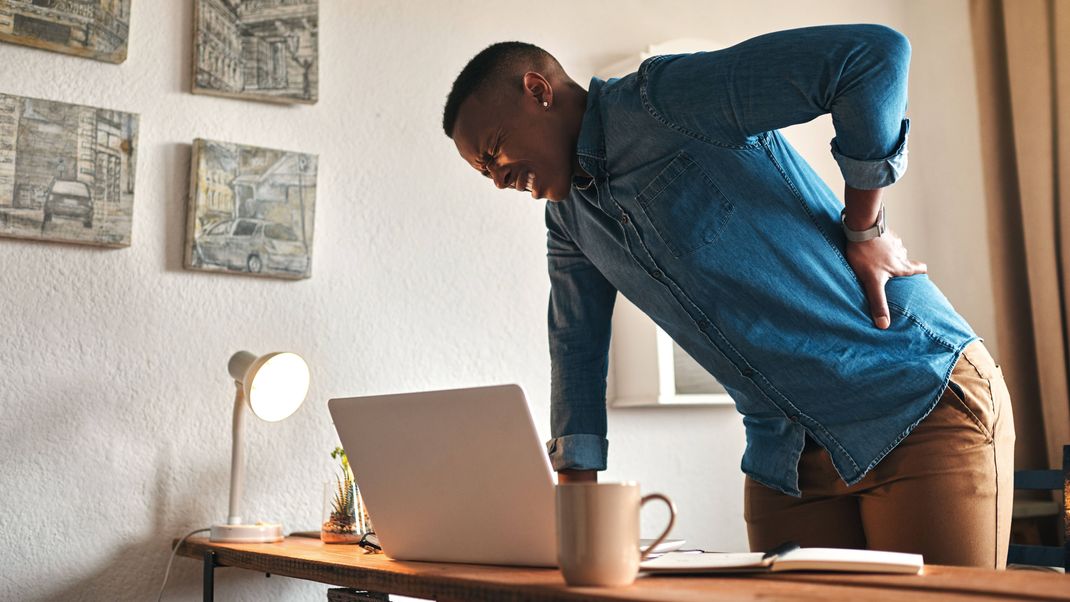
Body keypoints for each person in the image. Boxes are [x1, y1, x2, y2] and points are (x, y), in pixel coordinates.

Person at [442, 24, 1015, 568]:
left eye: (495, 152)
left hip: (913, 399)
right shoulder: (568, 222)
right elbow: (576, 349)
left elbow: (872, 56)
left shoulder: (661, 100)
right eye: (482, 171)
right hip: (784, 461)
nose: (497, 179)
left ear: (538, 91)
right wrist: (574, 515)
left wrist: (864, 227)